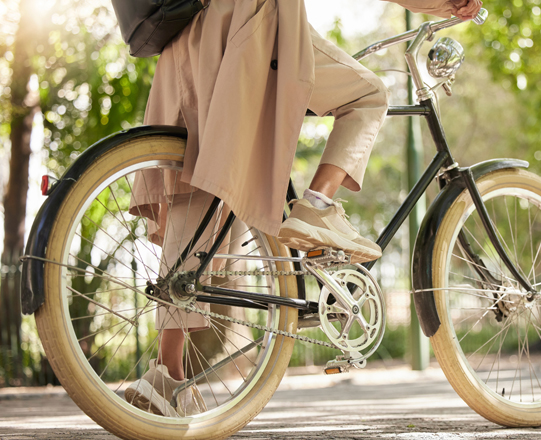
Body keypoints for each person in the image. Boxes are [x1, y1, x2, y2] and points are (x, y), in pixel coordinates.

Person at [125, 0, 483, 416]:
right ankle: (316, 205)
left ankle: (165, 376)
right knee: (368, 94)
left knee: (195, 188)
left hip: (186, 40)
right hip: (249, 24)